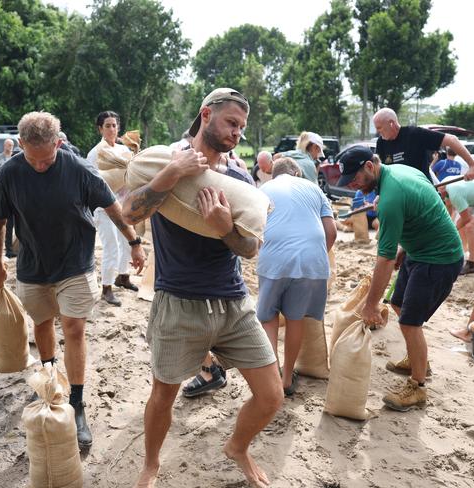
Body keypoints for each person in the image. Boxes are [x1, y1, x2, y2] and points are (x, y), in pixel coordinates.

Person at [122, 88, 282, 488]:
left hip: (233, 304)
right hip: (178, 301)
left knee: (271, 395)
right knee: (164, 395)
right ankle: (151, 464)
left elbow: (249, 249)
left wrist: (226, 228)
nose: (237, 133)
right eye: (231, 123)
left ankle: (238, 447)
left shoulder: (240, 180)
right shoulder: (165, 160)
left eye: (242, 127)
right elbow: (130, 211)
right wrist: (173, 173)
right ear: (206, 114)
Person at [0, 111, 145, 450]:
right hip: (33, 266)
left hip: (76, 264)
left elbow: (111, 205)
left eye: (47, 158)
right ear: (20, 146)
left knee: (74, 328)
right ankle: (48, 379)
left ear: (58, 144)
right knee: (42, 323)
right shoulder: (10, 173)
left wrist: (133, 242)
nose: (41, 165)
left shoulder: (78, 168)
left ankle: (77, 403)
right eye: (33, 159)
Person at [337, 146, 464, 412]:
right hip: (417, 252)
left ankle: (417, 387)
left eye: (355, 177)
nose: (353, 184)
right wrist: (404, 248)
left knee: (410, 322)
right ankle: (419, 361)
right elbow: (426, 206)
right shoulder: (397, 174)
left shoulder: (392, 196)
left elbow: (383, 261)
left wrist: (370, 306)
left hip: (438, 259)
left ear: (370, 167)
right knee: (398, 304)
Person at [256, 157, 337, 396]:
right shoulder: (314, 189)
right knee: (295, 318)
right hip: (312, 261)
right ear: (297, 173)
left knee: (268, 318)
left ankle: (270, 379)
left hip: (275, 257)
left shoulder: (264, 189)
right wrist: (317, 255)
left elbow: (254, 227)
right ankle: (287, 378)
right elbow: (330, 231)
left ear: (274, 174)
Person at [86, 111, 139, 306]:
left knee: (127, 242)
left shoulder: (124, 150)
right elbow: (92, 182)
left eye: (114, 125)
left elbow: (131, 174)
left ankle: (123, 277)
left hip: (124, 203)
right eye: (107, 125)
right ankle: (106, 288)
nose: (112, 129)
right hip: (104, 207)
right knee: (112, 247)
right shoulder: (95, 153)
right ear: (100, 128)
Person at [373, 108, 474, 183]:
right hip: (399, 195)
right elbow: (379, 171)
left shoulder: (414, 134)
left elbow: (452, 140)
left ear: (391, 123)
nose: (378, 132)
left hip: (422, 191)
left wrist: (472, 164)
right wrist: (379, 194)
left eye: (379, 128)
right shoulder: (381, 143)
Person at [438, 178, 474, 274]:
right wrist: (443, 229)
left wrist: (451, 231)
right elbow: (448, 212)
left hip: (473, 201)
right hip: (473, 201)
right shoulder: (446, 189)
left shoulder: (453, 193)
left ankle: (471, 264)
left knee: (469, 226)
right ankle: (467, 250)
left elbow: (466, 218)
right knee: (461, 225)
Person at [0, 139, 16, 258]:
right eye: (9, 145)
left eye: (12, 145)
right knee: (8, 224)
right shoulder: (2, 157)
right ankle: (8, 249)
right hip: (7, 193)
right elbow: (3, 169)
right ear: (4, 145)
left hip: (16, 191)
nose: (10, 147)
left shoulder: (16, 156)